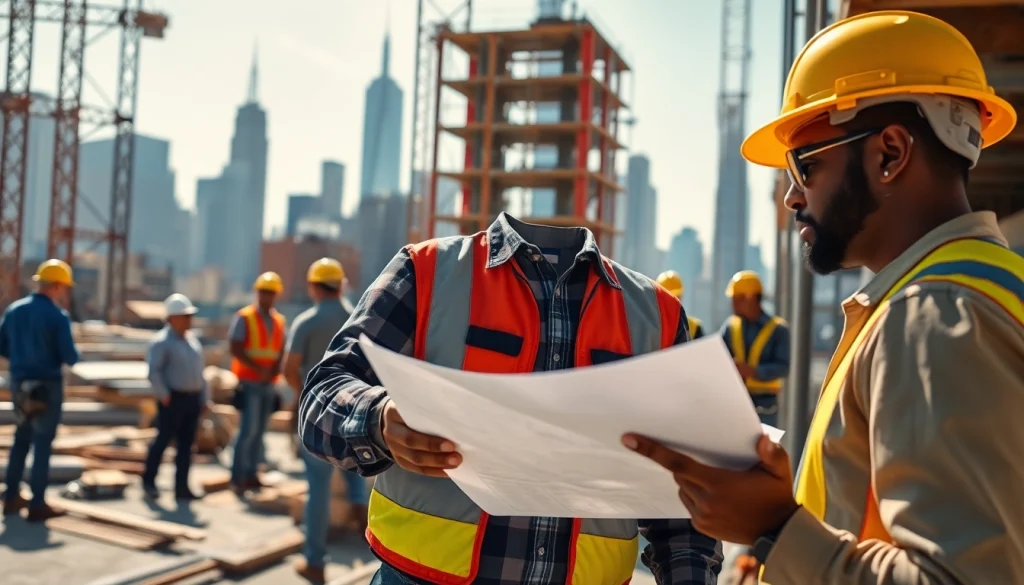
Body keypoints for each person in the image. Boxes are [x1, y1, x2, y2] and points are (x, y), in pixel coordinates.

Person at [622, 10, 1024, 584]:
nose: (789, 196)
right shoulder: (992, 285)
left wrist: (778, 527)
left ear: (889, 153)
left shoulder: (932, 314)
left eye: (804, 166)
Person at [299, 212, 722, 585]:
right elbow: (322, 394)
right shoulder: (425, 271)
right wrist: (378, 419)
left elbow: (686, 495)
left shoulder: (658, 317)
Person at [283, 258, 368, 583]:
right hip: (358, 412)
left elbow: (289, 368)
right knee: (357, 472)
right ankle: (365, 529)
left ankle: (315, 562)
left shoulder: (306, 321)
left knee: (318, 487)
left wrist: (305, 394)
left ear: (314, 286)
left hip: (319, 415)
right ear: (342, 285)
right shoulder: (359, 318)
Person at [0, 259, 79, 521]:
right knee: (42, 444)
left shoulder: (14, 311)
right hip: (47, 386)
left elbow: (2, 347)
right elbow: (70, 357)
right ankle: (37, 504)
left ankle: (11, 497)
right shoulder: (57, 317)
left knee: (21, 439)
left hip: (20, 384)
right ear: (57, 287)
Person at [141, 293, 211, 501]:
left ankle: (181, 488)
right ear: (171, 318)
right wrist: (164, 396)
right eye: (184, 316)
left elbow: (201, 373)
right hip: (173, 400)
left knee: (186, 446)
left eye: (190, 315)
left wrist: (204, 398)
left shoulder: (192, 342)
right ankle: (149, 482)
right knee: (162, 441)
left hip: (192, 400)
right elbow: (154, 372)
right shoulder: (161, 343)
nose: (189, 320)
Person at [229, 271, 286, 494]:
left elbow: (281, 350)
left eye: (271, 293)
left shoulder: (279, 321)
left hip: (268, 383)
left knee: (260, 431)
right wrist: (257, 368)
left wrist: (272, 370)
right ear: (257, 293)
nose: (267, 296)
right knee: (248, 431)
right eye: (264, 292)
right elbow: (235, 347)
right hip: (250, 382)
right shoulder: (244, 317)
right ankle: (238, 476)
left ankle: (251, 474)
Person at [720, 270, 790, 428]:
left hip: (765, 407)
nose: (732, 304)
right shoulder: (730, 327)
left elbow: (783, 367)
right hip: (735, 403)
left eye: (736, 299)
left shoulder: (779, 330)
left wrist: (753, 371)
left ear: (750, 298)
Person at [656, 270, 704, 338]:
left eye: (676, 297)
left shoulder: (695, 328)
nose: (672, 303)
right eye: (668, 299)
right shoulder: (650, 326)